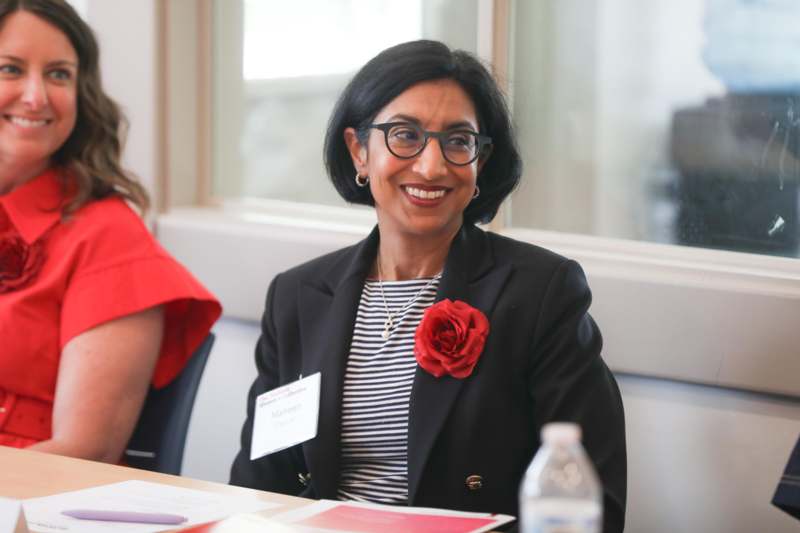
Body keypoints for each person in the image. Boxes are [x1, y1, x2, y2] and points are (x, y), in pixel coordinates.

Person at [230, 40, 626, 531]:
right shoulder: (297, 297)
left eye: (458, 141)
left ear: (480, 161)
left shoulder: (541, 292)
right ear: (359, 151)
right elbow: (257, 486)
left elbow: (592, 506)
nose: (432, 166)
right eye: (404, 135)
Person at [0, 0, 221, 463]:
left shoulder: (107, 238)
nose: (37, 96)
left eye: (59, 74)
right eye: (11, 69)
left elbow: (85, 453)